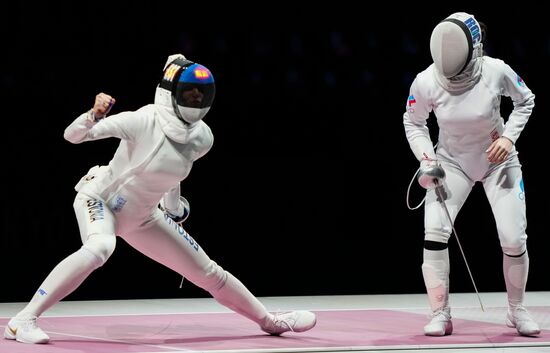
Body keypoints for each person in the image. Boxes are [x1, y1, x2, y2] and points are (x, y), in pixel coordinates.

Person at [4, 54, 317, 344]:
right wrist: (94, 115)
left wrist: (173, 207)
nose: (196, 98)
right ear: (171, 91)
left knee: (208, 272)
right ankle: (23, 320)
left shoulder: (202, 138)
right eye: (190, 91)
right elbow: (73, 136)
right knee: (100, 247)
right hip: (99, 198)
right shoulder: (144, 120)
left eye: (201, 92)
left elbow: (173, 174)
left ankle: (270, 320)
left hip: (143, 216)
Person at [403, 12, 540, 337]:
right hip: (451, 163)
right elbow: (413, 121)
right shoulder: (425, 81)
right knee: (434, 232)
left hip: (499, 162)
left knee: (512, 236)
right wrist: (427, 158)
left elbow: (526, 100)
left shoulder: (496, 70)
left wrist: (508, 138)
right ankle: (440, 314)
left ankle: (516, 310)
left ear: (473, 49)